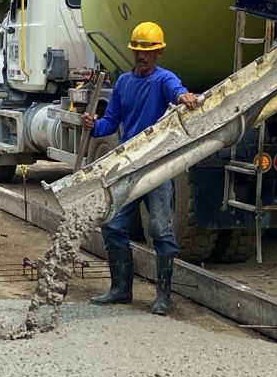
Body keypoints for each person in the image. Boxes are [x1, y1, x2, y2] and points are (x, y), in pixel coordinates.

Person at [81, 21, 200, 317]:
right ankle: (121, 290)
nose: (141, 56)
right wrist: (95, 126)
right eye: (137, 51)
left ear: (158, 52)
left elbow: (176, 91)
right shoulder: (123, 83)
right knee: (112, 225)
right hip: (128, 166)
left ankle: (163, 297)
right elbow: (112, 120)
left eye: (147, 51)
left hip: (155, 167)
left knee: (160, 229)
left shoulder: (163, 80)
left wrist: (184, 96)